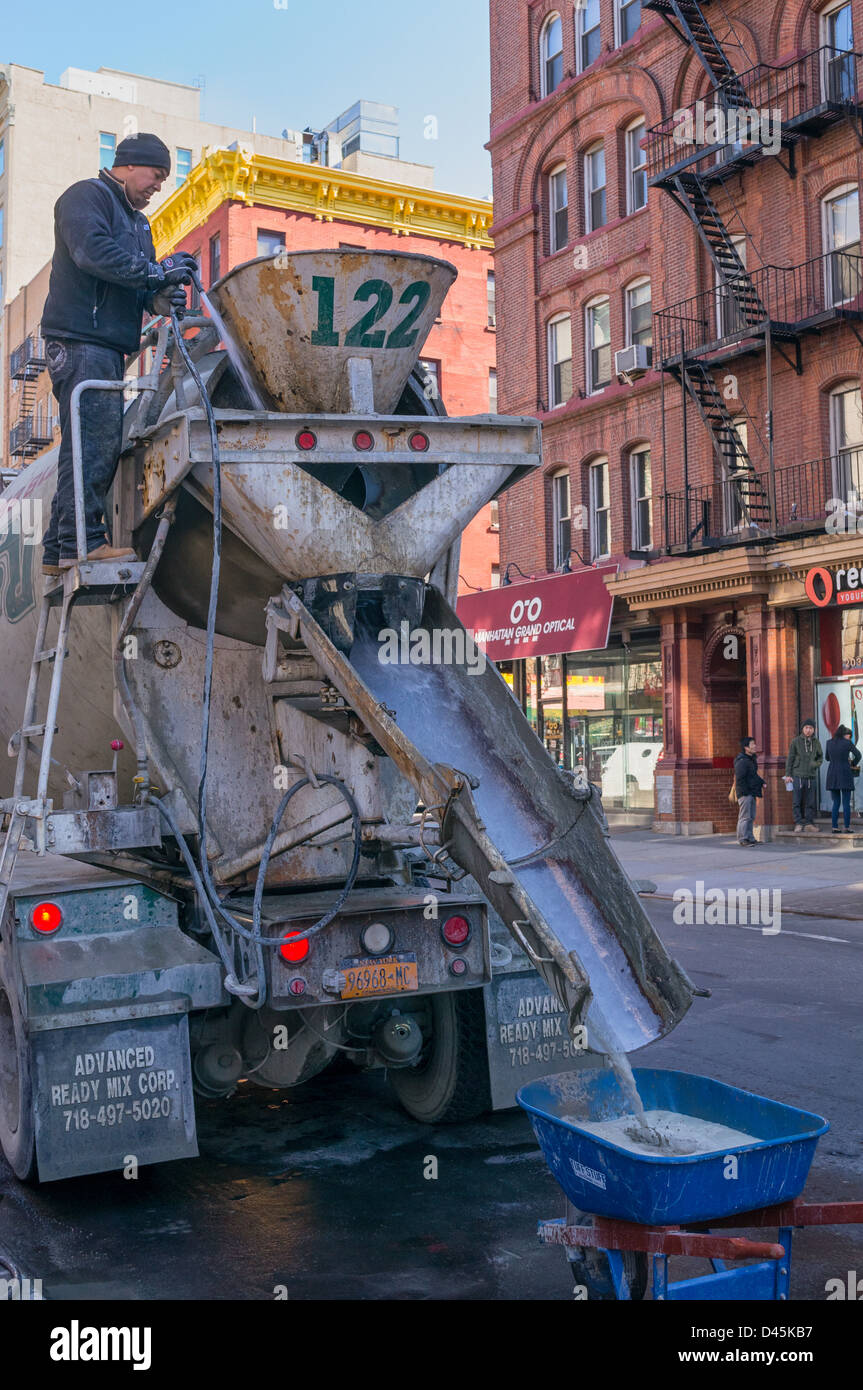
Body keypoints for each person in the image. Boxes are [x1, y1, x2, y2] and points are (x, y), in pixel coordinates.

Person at [39, 133, 198, 575]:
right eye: (156, 174)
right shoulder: (86, 197)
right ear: (128, 164)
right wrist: (154, 272)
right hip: (79, 340)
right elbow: (92, 253)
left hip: (106, 345)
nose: (158, 186)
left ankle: (58, 550)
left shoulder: (140, 225)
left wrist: (159, 297)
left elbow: (134, 284)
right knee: (94, 442)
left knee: (91, 441)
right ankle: (83, 543)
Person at [785, 718, 823, 834]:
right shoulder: (796, 741)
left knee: (810, 802)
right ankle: (798, 823)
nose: (808, 730)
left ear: (814, 730)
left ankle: (808, 824)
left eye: (810, 728)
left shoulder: (816, 742)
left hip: (811, 776)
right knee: (797, 801)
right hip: (798, 775)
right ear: (802, 729)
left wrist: (814, 764)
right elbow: (790, 758)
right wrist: (788, 774)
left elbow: (820, 758)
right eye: (806, 728)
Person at [824, 724, 861, 834]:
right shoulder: (847, 743)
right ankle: (846, 827)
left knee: (835, 802)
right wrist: (853, 763)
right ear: (844, 734)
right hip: (845, 773)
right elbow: (858, 755)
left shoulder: (829, 743)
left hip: (832, 774)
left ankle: (834, 827)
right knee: (846, 803)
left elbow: (827, 758)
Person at [734, 736, 764, 845]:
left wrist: (761, 782)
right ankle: (742, 839)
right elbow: (740, 778)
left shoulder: (751, 759)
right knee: (745, 817)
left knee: (751, 817)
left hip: (751, 792)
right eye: (752, 744)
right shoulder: (742, 761)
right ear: (746, 748)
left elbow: (753, 775)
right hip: (745, 793)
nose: (755, 746)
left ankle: (750, 838)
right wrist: (745, 792)